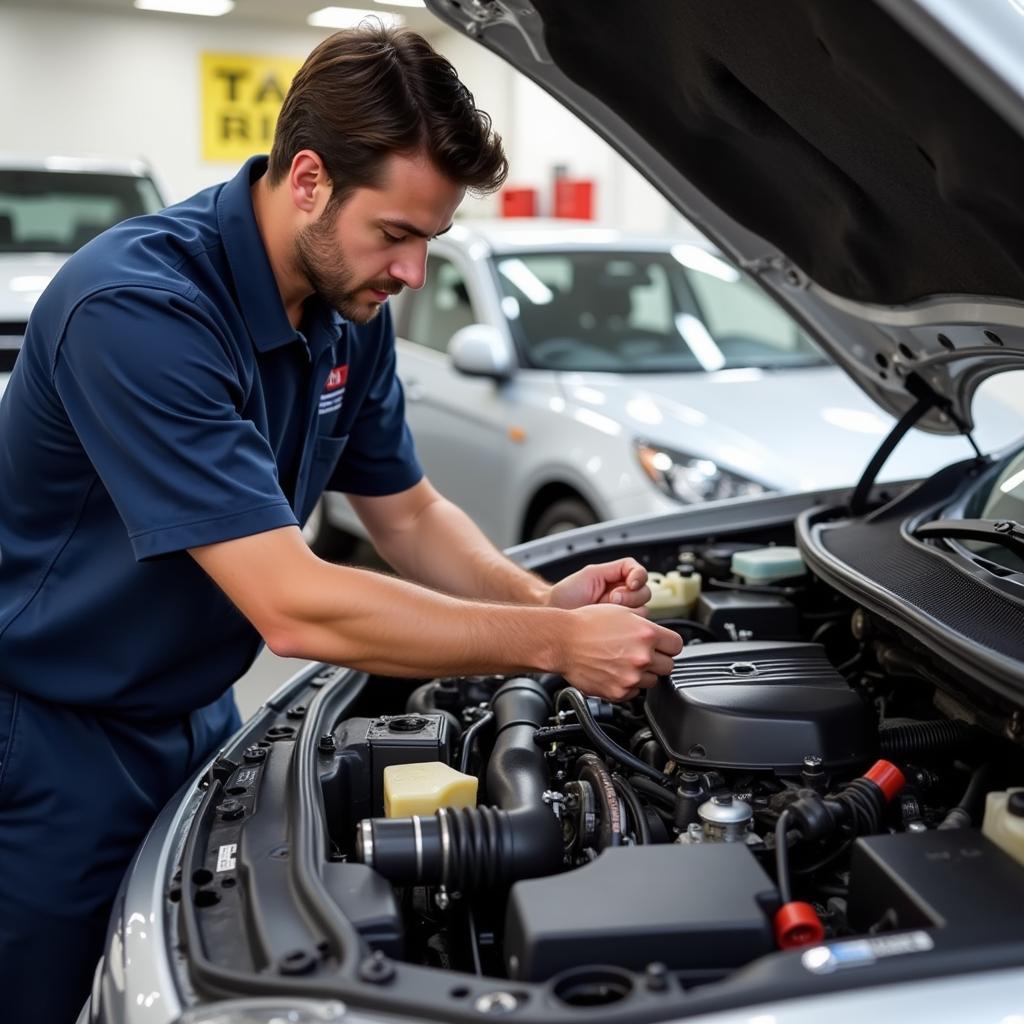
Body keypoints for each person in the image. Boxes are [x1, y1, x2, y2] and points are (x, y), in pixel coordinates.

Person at [0, 23, 682, 1022]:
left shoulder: (346, 312)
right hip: (55, 735)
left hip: (195, 708)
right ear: (308, 179)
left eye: (429, 241)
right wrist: (552, 644)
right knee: (58, 999)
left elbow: (407, 512)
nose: (411, 273)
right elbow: (293, 606)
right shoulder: (137, 312)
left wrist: (541, 601)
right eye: (395, 234)